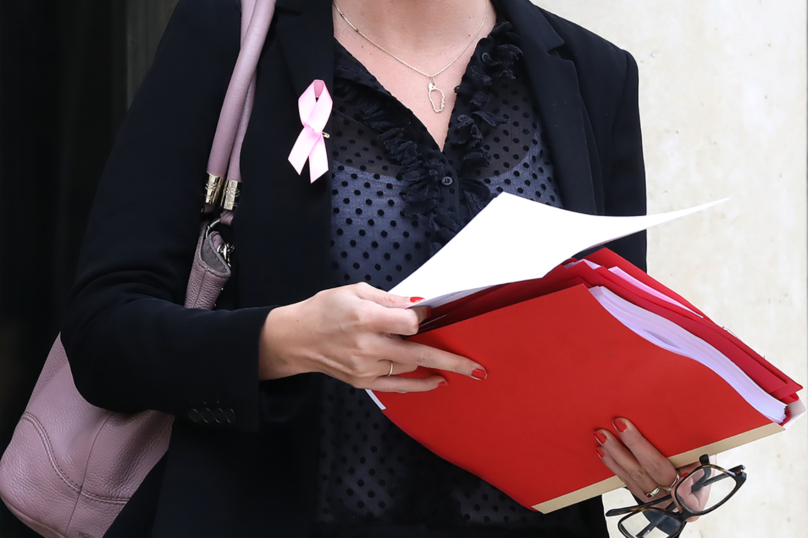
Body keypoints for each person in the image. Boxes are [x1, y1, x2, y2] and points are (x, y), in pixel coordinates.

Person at [61, 0, 702, 536]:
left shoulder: (593, 72)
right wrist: (283, 341)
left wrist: (666, 463)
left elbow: (611, 344)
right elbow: (104, 332)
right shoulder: (232, 40)